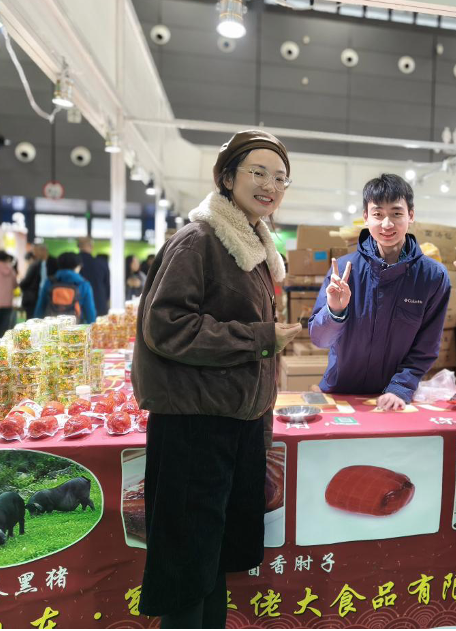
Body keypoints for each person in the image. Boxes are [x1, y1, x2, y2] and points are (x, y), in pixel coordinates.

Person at [133, 130, 301, 629]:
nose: (270, 185)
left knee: (211, 558)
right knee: (189, 565)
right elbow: (166, 327)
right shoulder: (199, 240)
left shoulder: (249, 245)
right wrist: (260, 338)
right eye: (258, 172)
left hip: (232, 424)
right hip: (195, 426)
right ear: (227, 178)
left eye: (280, 178)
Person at [308, 173, 450, 410]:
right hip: (340, 392)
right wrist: (334, 311)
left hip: (395, 398)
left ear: (410, 215)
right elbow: (319, 339)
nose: (387, 224)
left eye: (396, 213)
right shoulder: (343, 270)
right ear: (366, 217)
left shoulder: (432, 276)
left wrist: (400, 388)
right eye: (378, 214)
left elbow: (426, 347)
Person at [34, 252, 97, 324]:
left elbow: (40, 307)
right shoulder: (84, 284)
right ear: (77, 266)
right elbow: (90, 312)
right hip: (76, 327)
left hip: (52, 327)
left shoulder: (49, 282)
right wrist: (92, 325)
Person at [19, 245, 58, 319]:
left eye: (36, 251)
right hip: (36, 296)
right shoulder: (37, 264)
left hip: (50, 295)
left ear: (43, 251)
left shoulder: (54, 262)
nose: (34, 254)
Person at [77, 237, 110, 317]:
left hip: (78, 306)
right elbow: (107, 287)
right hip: (99, 304)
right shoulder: (101, 263)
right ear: (91, 246)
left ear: (78, 246)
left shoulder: (73, 263)